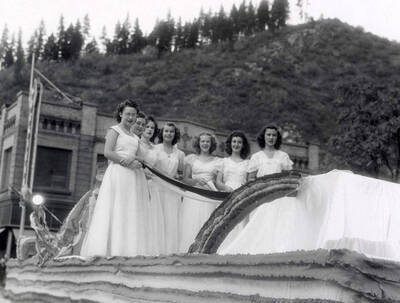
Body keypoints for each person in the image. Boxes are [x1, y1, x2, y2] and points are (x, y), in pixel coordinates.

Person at [80, 100, 152, 257]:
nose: (131, 118)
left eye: (133, 115)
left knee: (129, 209)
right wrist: (125, 161)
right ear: (121, 114)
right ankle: (111, 249)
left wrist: (136, 160)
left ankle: (128, 249)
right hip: (119, 173)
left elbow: (141, 156)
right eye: (128, 114)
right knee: (116, 207)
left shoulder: (134, 136)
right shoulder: (114, 130)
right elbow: (108, 152)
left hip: (133, 176)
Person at [219, 125, 296, 255]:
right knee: (259, 223)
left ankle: (275, 252)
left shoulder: (283, 156)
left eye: (273, 135)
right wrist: (260, 189)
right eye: (268, 135)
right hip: (260, 197)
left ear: (276, 138)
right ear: (263, 137)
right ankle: (257, 252)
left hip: (278, 197)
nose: (271, 137)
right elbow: (250, 179)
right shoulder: (256, 157)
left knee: (276, 224)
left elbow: (288, 177)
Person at [180, 133, 222, 252]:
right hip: (193, 193)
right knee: (191, 221)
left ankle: (205, 250)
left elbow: (218, 181)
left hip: (208, 193)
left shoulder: (218, 161)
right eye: (202, 141)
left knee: (206, 219)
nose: (205, 144)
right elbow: (185, 179)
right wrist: (196, 180)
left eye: (207, 142)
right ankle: (189, 249)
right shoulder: (191, 158)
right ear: (198, 143)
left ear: (211, 144)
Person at [215, 131, 250, 251]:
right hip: (226, 195)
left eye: (239, 142)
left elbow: (249, 182)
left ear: (243, 145)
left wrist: (243, 191)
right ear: (230, 144)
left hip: (241, 196)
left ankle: (238, 251)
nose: (236, 144)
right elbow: (218, 182)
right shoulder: (224, 161)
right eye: (234, 142)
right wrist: (225, 188)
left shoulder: (247, 163)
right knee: (225, 223)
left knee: (239, 223)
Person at [153, 122, 185, 254]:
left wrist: (178, 177)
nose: (168, 134)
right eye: (166, 131)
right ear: (162, 133)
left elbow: (181, 173)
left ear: (175, 134)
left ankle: (169, 251)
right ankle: (155, 249)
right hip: (157, 187)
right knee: (157, 218)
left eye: (171, 132)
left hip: (172, 191)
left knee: (171, 220)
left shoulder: (180, 153)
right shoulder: (155, 149)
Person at [138, 116, 165, 255]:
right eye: (147, 127)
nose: (149, 129)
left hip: (153, 185)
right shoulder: (136, 142)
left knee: (151, 216)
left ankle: (148, 249)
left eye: (152, 128)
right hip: (139, 180)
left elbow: (158, 168)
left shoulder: (155, 148)